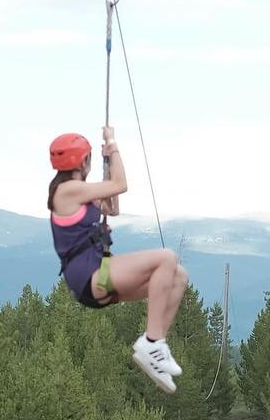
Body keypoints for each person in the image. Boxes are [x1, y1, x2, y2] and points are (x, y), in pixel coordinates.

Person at [48, 127, 188, 392]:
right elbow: (121, 185)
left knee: (178, 275)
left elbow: (113, 207)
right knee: (166, 258)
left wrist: (107, 167)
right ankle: (152, 342)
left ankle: (157, 350)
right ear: (83, 160)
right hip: (90, 275)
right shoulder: (67, 191)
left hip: (94, 280)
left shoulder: (77, 194)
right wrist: (112, 147)